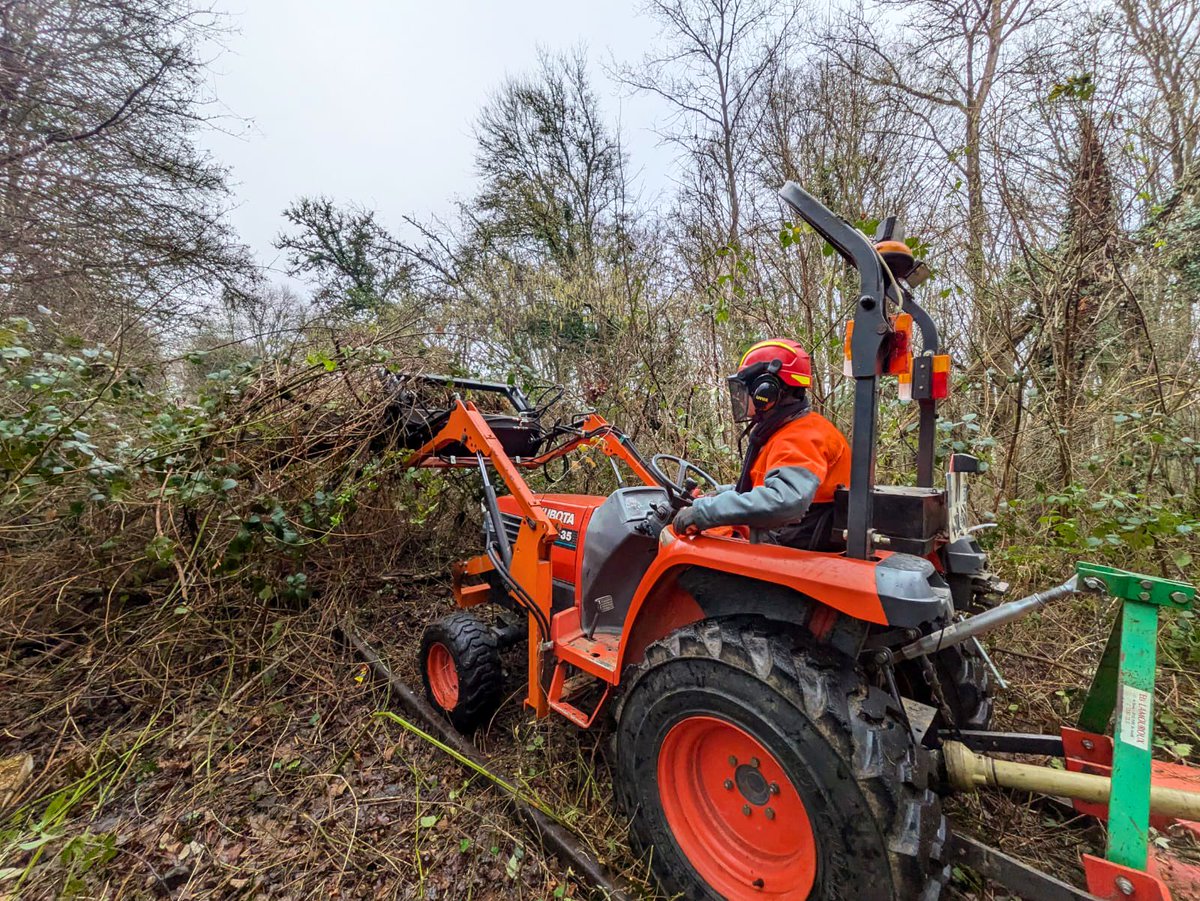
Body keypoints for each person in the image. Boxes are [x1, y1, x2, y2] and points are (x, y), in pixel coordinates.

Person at [672, 338, 851, 551]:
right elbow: (765, 486)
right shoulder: (790, 430)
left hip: (792, 549)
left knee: (690, 569)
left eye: (745, 390)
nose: (741, 398)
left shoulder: (801, 437)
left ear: (765, 392)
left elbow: (783, 501)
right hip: (788, 537)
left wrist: (704, 513)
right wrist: (719, 495)